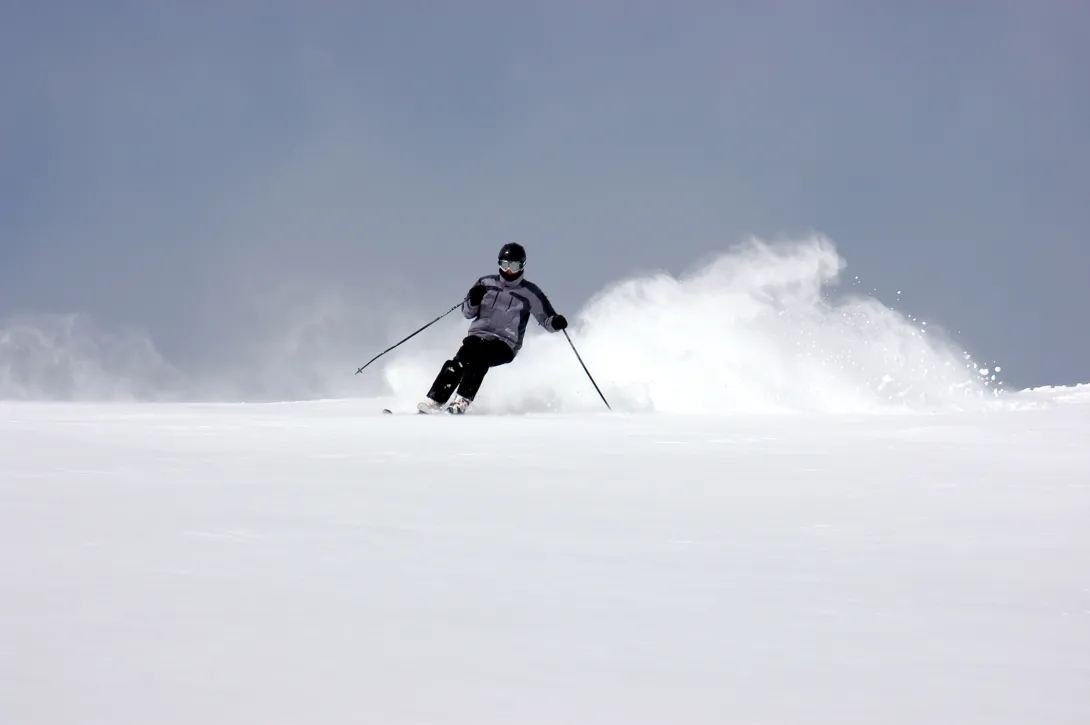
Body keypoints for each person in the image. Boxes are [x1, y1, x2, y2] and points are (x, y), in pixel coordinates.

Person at [418, 243, 567, 414]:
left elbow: (547, 319)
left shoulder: (530, 293)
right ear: (499, 264)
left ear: (522, 266)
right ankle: (434, 401)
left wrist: (555, 322)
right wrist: (473, 300)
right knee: (459, 360)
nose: (509, 271)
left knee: (479, 359)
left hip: (505, 343)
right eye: (505, 265)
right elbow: (467, 313)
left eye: (514, 266)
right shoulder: (485, 283)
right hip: (479, 335)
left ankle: (461, 401)